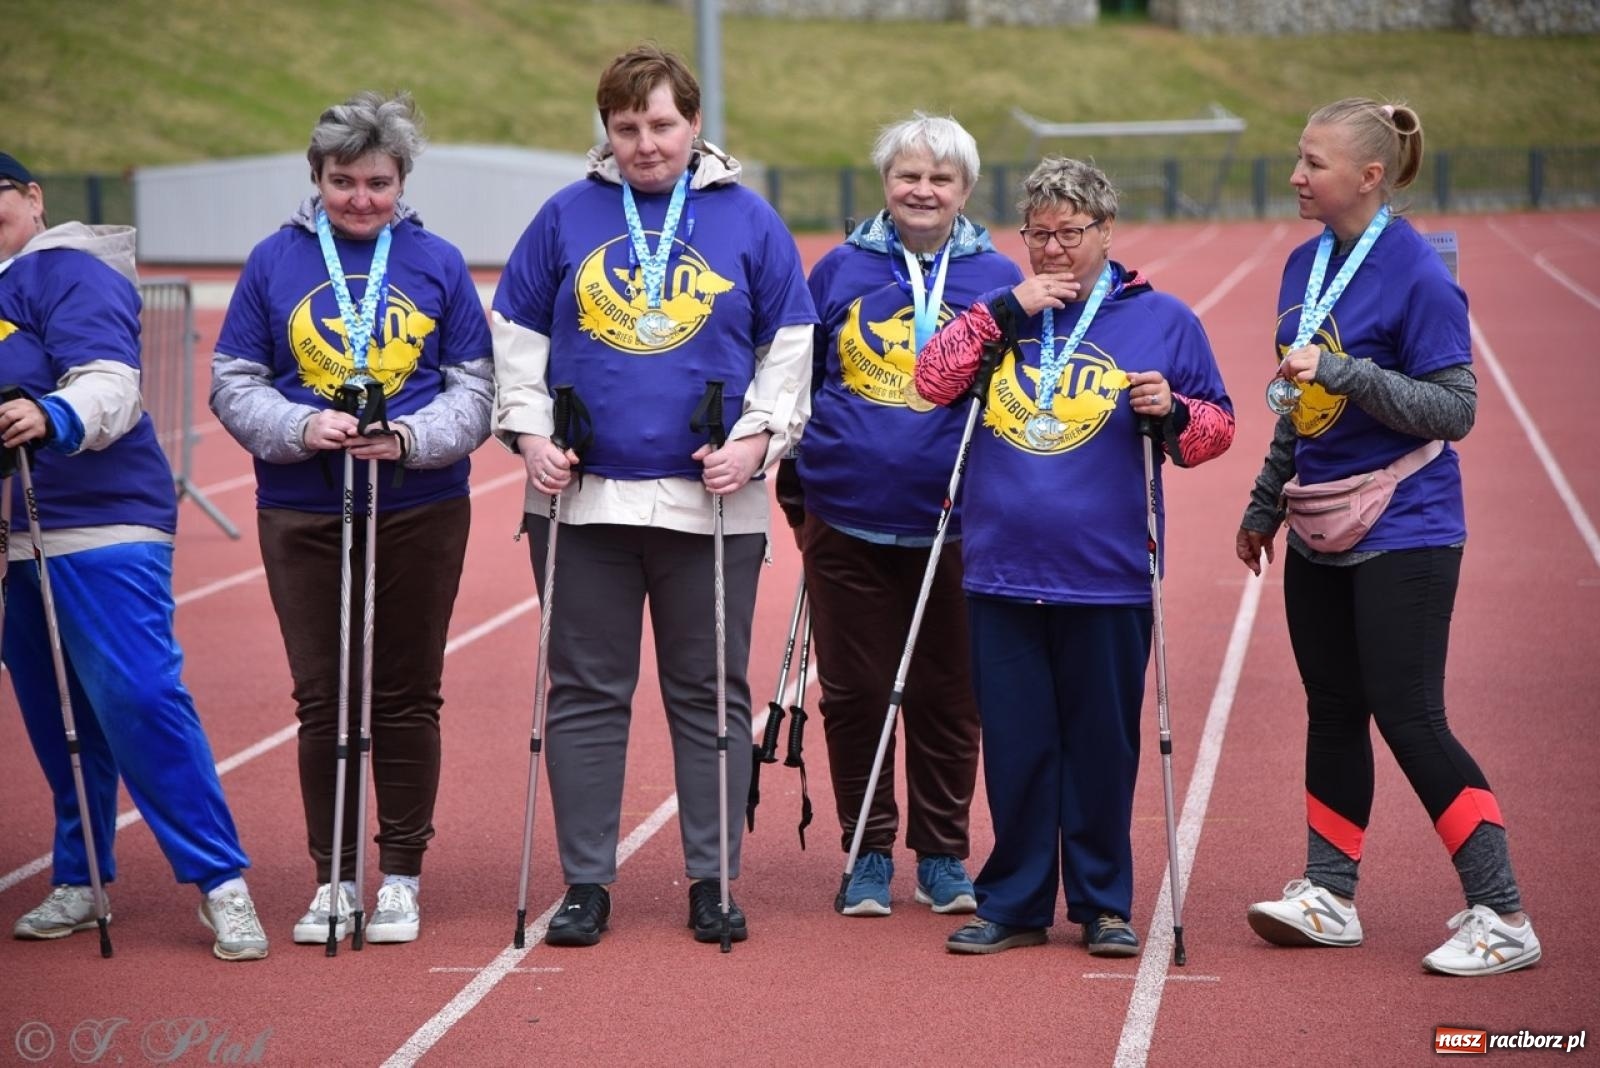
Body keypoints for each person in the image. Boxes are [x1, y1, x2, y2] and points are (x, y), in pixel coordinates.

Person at [492, 43, 815, 947]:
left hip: (711, 507)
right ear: (606, 131)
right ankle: (587, 882)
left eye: (662, 124)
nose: (645, 144)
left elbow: (790, 349)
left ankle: (713, 879)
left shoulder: (750, 221)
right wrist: (528, 436)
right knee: (586, 693)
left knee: (710, 695)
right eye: (627, 127)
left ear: (696, 124)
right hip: (581, 503)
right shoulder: (564, 217)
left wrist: (756, 440)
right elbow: (513, 340)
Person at [1236, 99, 1540, 976]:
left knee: (1410, 717)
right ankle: (1328, 894)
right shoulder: (1303, 264)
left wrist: (1344, 369)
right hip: (1316, 522)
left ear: (1370, 176)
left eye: (1314, 163)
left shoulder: (1417, 275)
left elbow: (1456, 410)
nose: (1296, 176)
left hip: (1406, 528)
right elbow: (1297, 405)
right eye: (1297, 158)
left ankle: (1503, 911)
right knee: (1332, 710)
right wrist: (1263, 502)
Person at [912, 156, 1234, 957]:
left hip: (1109, 575)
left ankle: (1103, 904)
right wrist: (999, 309)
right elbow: (931, 379)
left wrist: (1175, 409)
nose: (1053, 249)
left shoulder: (1163, 320)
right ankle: (1014, 902)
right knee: (1018, 746)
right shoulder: (1001, 315)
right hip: (1001, 570)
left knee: (1101, 746)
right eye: (1039, 235)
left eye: (1069, 233)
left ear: (1106, 231)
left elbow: (1215, 433)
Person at [211, 92, 493, 946]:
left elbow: (475, 389)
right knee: (323, 698)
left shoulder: (437, 260)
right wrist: (301, 427)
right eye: (344, 181)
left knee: (406, 694)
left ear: (401, 181)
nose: (361, 198)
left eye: (377, 181)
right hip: (302, 507)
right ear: (317, 178)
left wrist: (408, 437)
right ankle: (333, 878)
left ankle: (400, 873)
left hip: (419, 507)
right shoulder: (273, 262)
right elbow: (233, 379)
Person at [0, 151, 267, 961]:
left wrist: (51, 414)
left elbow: (112, 383)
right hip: (13, 540)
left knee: (141, 698)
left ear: (32, 198)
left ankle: (222, 882)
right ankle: (82, 875)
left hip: (99, 522)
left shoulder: (65, 272)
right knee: (58, 717)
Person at [781, 113, 1021, 917]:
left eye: (940, 178)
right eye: (908, 175)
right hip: (846, 519)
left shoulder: (998, 279)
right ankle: (867, 849)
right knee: (852, 692)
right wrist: (802, 497)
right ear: (885, 182)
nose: (922, 190)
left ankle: (944, 855)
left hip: (958, 525)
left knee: (950, 696)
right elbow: (801, 385)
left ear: (965, 191)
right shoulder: (840, 269)